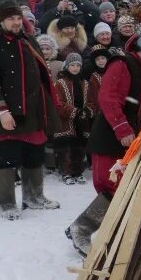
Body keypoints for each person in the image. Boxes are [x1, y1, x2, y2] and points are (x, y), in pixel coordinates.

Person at [65, 29, 141, 255]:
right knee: (112, 186)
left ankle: (93, 229)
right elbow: (108, 98)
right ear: (140, 49)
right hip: (111, 138)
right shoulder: (123, 64)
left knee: (122, 187)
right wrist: (122, 128)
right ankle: (81, 228)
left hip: (130, 141)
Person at [0, 0, 60, 219]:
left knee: (34, 154)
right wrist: (2, 112)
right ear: (2, 21)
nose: (16, 23)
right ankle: (6, 204)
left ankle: (34, 197)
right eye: (11, 19)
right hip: (8, 113)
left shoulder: (29, 40)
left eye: (18, 18)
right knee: (7, 159)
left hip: (33, 109)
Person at [53, 53, 93, 185]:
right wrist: (74, 111)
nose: (75, 68)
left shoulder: (85, 83)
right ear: (67, 66)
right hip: (65, 121)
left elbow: (92, 101)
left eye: (78, 65)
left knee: (79, 147)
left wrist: (87, 111)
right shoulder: (60, 83)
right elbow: (58, 102)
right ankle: (66, 172)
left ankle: (78, 172)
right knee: (66, 149)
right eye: (72, 65)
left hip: (81, 121)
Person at [86, 46, 110, 114]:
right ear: (94, 62)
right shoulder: (94, 77)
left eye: (103, 58)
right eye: (97, 59)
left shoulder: (113, 72)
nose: (100, 61)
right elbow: (94, 97)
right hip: (102, 110)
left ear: (107, 59)